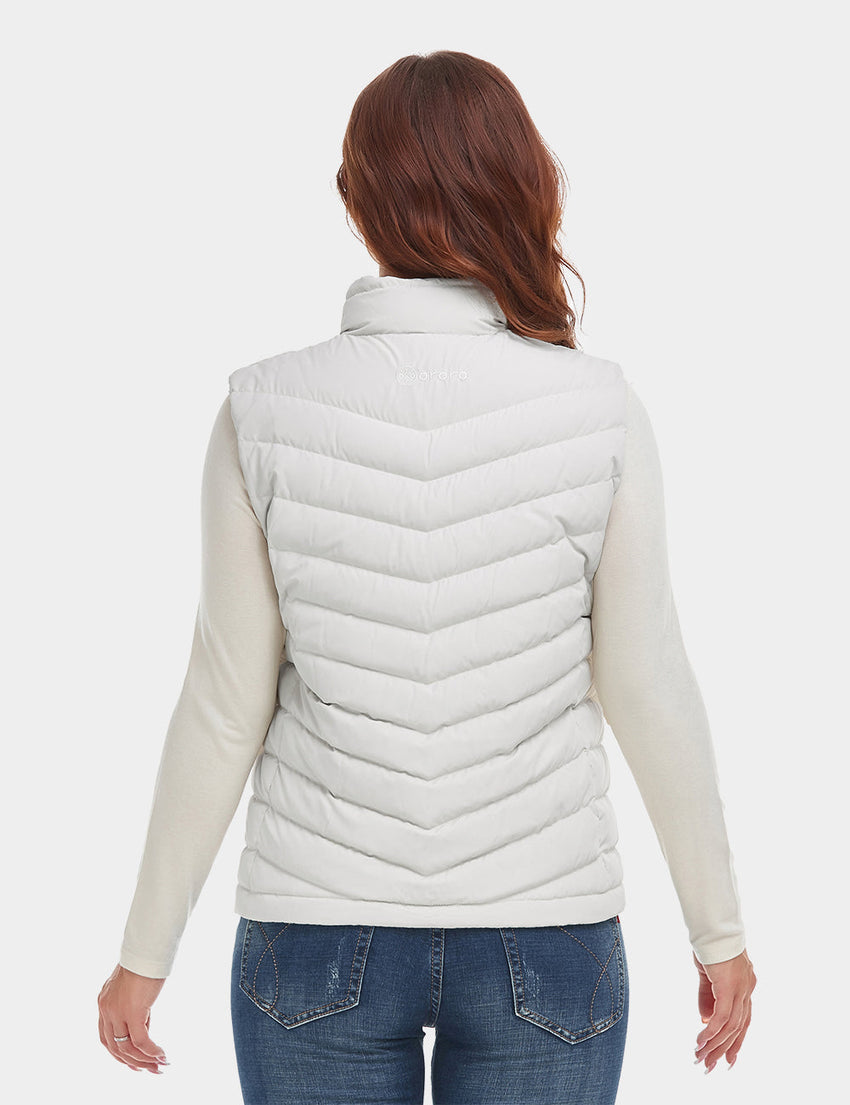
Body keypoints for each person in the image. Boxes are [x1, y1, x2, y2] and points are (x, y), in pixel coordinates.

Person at [97, 50, 756, 1104]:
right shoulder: (600, 408)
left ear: (359, 198)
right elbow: (649, 684)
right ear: (521, 184)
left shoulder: (261, 408)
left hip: (315, 928)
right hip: (546, 927)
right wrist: (717, 928)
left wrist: (144, 950)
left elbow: (224, 703)